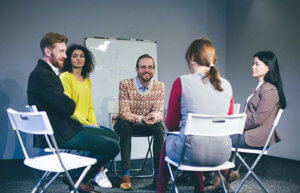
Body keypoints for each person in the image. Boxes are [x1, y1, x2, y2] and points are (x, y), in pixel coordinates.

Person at [27, 32, 120, 193]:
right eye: (61, 51)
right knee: (112, 146)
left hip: (63, 128)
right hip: (60, 133)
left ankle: (79, 176)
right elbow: (69, 107)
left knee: (112, 136)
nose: (65, 55)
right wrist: (66, 100)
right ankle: (77, 176)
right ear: (48, 51)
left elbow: (67, 104)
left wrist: (65, 99)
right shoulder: (44, 76)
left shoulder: (45, 73)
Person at [156, 38, 234, 193]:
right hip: (223, 155)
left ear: (192, 58)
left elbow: (171, 125)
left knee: (172, 140)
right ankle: (200, 189)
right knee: (191, 138)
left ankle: (161, 191)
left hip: (191, 153)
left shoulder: (181, 82)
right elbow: (228, 121)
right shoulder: (227, 84)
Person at [60, 44, 119, 189]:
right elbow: (68, 109)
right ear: (69, 59)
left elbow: (90, 106)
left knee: (114, 136)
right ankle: (93, 172)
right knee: (111, 142)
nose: (79, 59)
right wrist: (86, 123)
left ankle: (92, 170)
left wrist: (94, 123)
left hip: (86, 124)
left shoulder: (87, 80)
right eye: (75, 56)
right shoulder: (65, 77)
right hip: (73, 125)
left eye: (82, 56)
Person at [113, 54, 165, 190]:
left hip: (147, 124)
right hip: (127, 123)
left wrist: (153, 117)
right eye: (143, 67)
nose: (146, 70)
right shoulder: (125, 84)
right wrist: (142, 118)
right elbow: (124, 113)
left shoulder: (159, 86)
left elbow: (159, 111)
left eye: (150, 67)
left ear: (153, 70)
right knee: (125, 126)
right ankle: (126, 174)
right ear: (137, 69)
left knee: (159, 128)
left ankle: (158, 175)